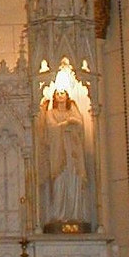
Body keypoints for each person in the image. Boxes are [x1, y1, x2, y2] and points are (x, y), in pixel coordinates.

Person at [39, 89, 89, 229]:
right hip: (58, 153)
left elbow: (79, 125)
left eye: (63, 93)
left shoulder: (72, 110)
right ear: (54, 96)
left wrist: (68, 123)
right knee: (59, 182)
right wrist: (67, 124)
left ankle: (75, 214)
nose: (61, 96)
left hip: (73, 154)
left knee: (74, 181)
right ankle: (59, 215)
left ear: (67, 96)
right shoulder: (51, 113)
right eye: (58, 93)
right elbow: (51, 128)